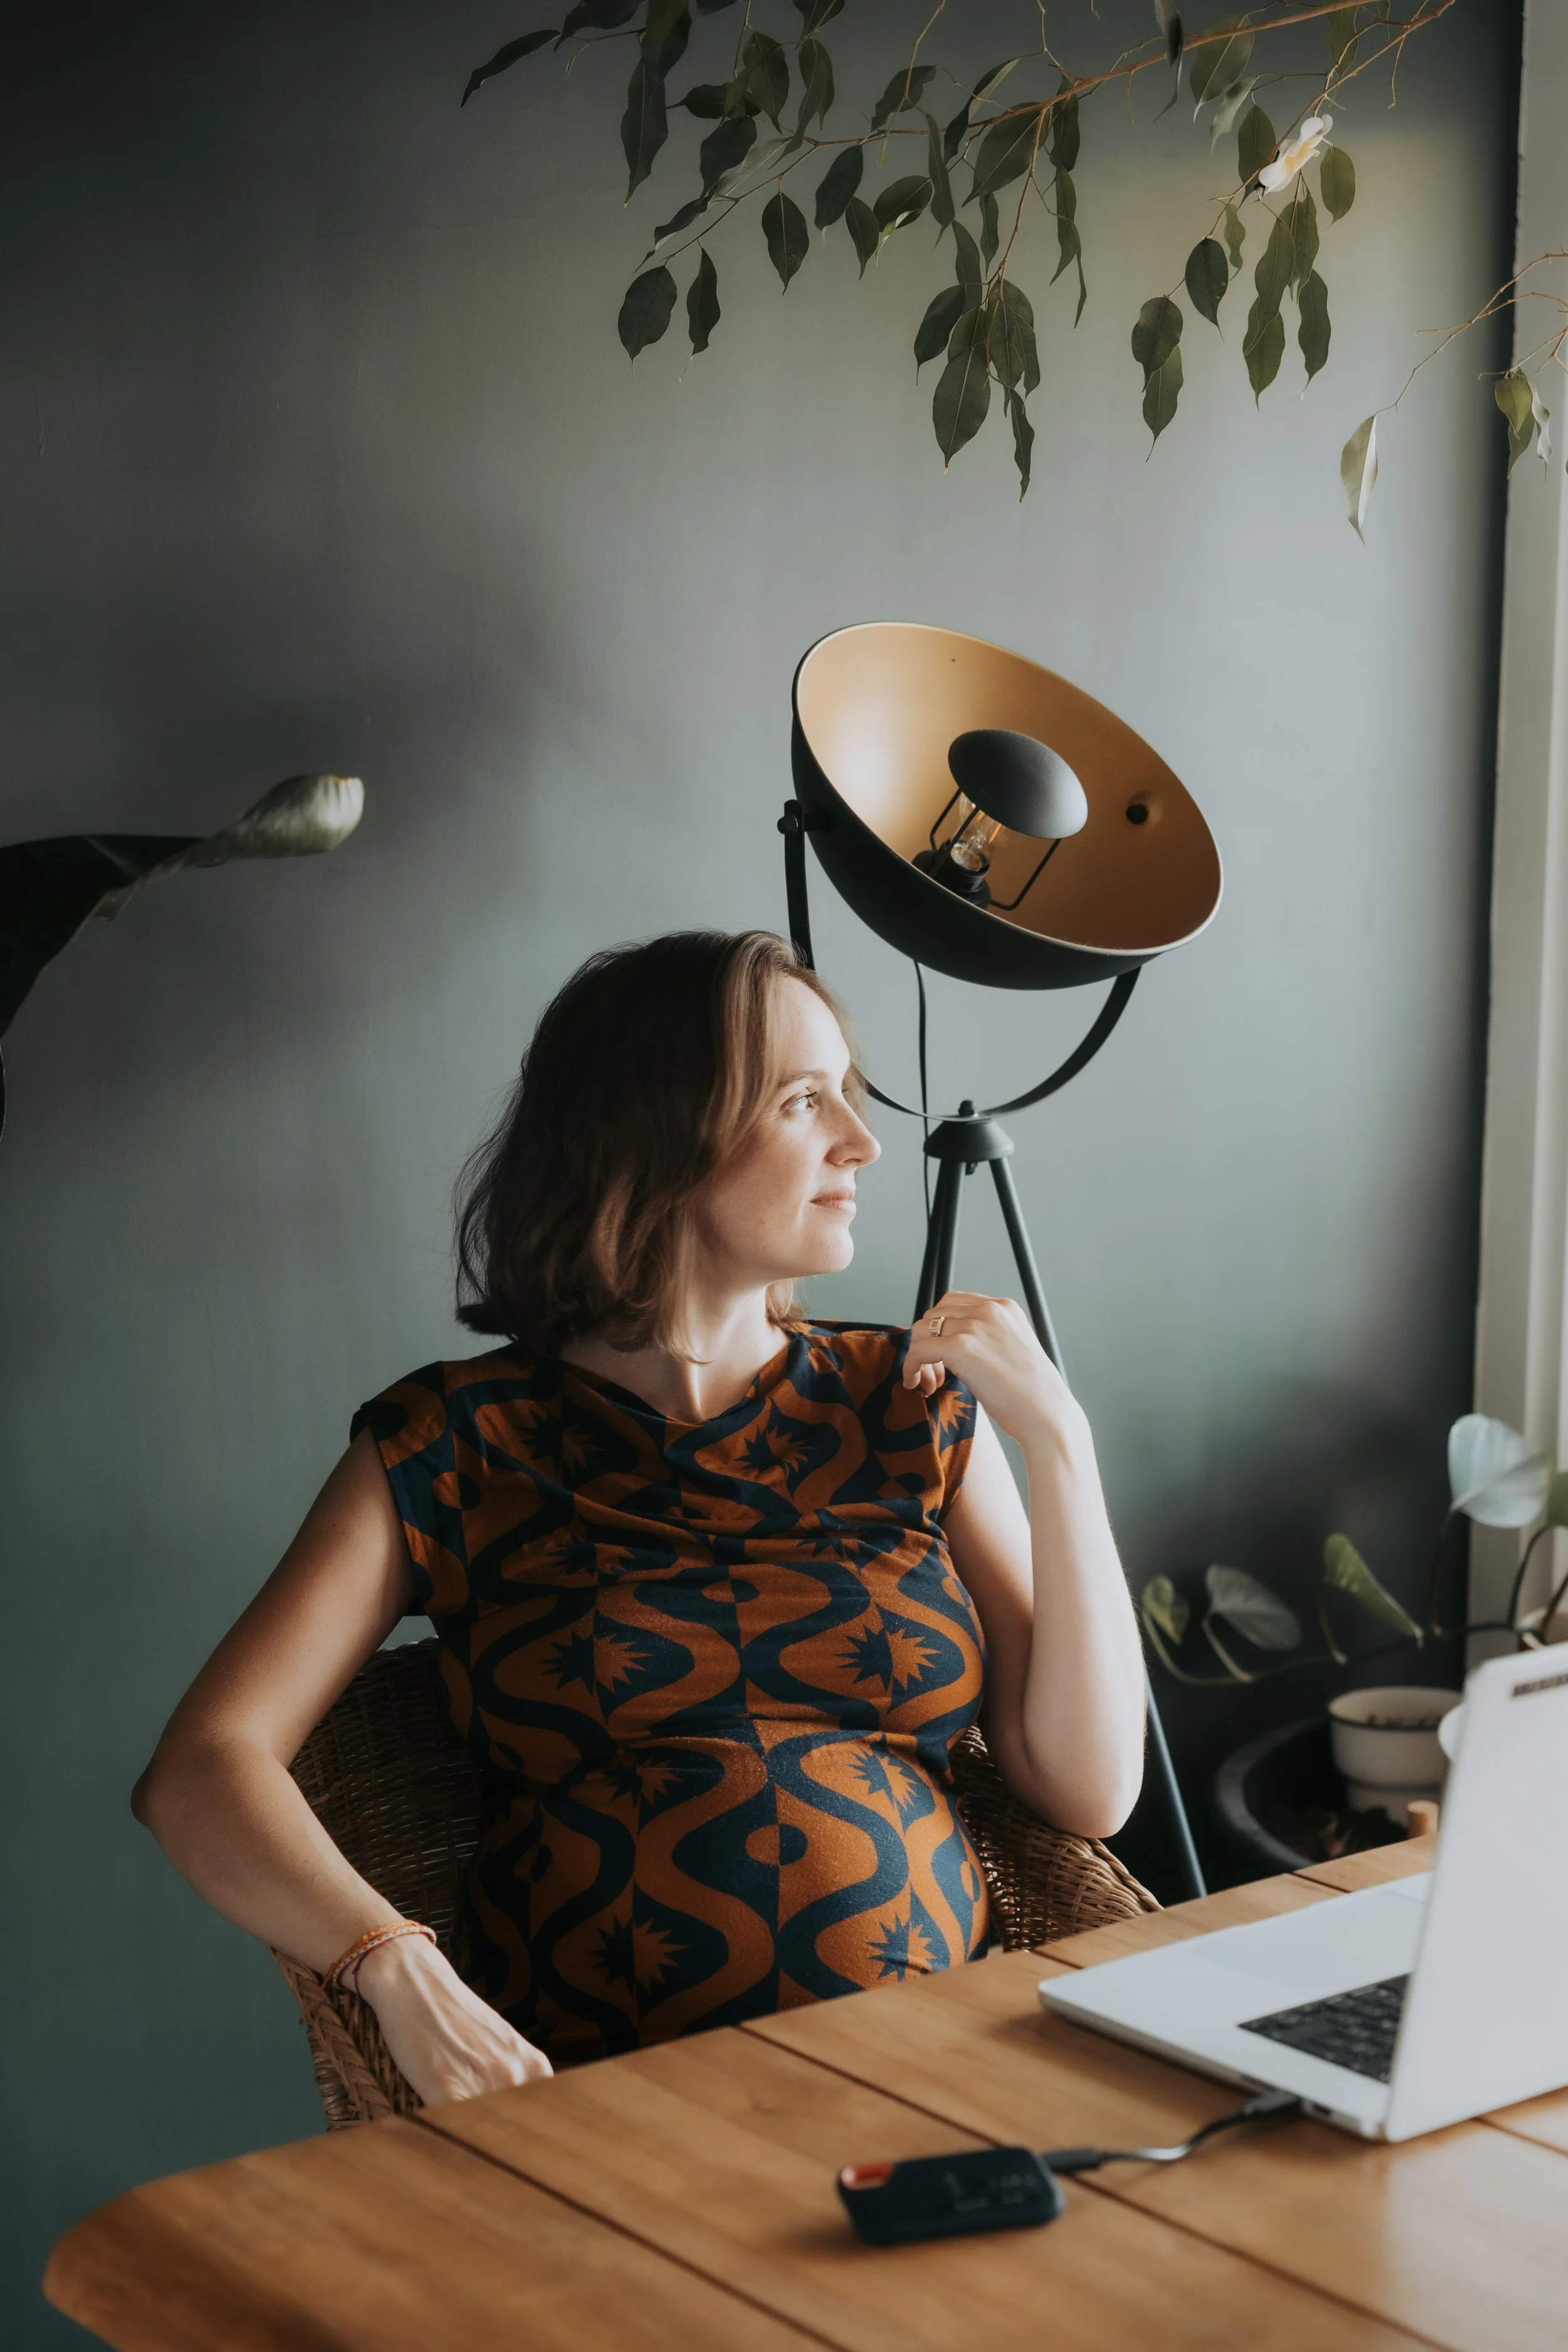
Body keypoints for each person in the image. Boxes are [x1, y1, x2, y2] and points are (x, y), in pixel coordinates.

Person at [134, 930, 1145, 2106]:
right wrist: (392, 1963)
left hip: (944, 2078)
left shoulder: (907, 1405)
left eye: (852, 1098)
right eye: (804, 1100)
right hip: (607, 2118)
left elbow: (1088, 1790)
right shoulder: (453, 1444)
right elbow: (202, 1768)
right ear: (657, 1133)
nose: (864, 1143)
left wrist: (1060, 1444)